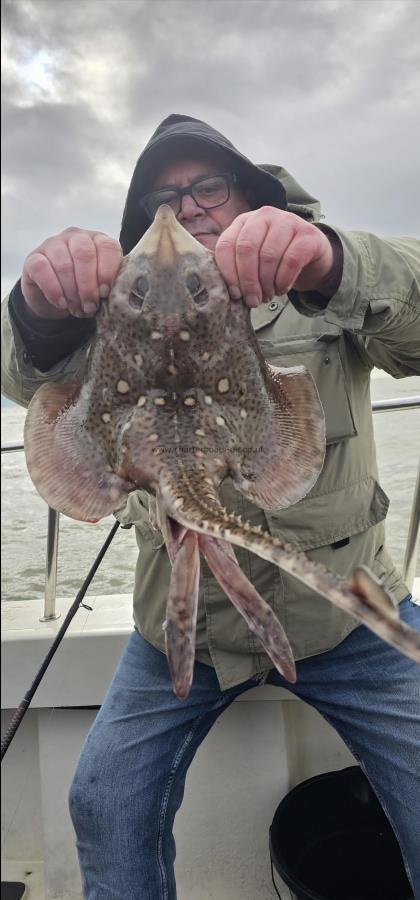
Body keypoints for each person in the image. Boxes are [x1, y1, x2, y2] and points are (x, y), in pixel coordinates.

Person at [2, 113, 420, 899]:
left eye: (206, 186)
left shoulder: (322, 284)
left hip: (349, 614)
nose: (182, 209)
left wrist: (330, 259)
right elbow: (25, 380)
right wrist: (37, 305)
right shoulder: (114, 304)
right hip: (175, 625)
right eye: (160, 195)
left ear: (251, 194)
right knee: (102, 801)